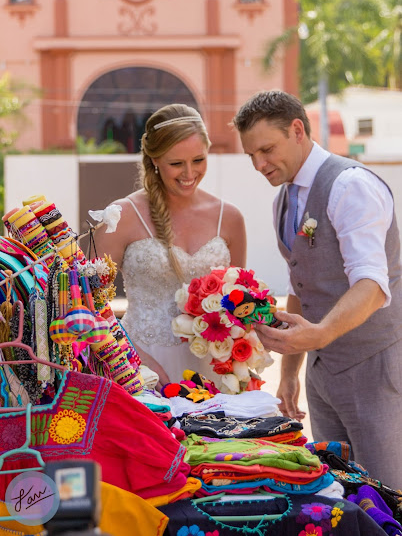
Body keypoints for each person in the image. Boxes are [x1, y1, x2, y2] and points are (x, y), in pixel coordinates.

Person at [232, 89, 402, 489]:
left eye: (267, 149)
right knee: (339, 496)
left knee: (388, 494)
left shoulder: (350, 186)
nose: (259, 164)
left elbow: (373, 284)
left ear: (297, 130)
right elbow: (301, 284)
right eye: (251, 155)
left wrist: (321, 334)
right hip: (321, 376)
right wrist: (290, 373)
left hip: (373, 369)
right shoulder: (283, 200)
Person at [96, 104, 246, 385]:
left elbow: (238, 305)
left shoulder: (230, 218)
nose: (189, 173)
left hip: (216, 369)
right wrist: (138, 362)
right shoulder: (121, 216)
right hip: (140, 367)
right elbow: (88, 305)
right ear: (154, 159)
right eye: (176, 163)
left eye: (199, 160)